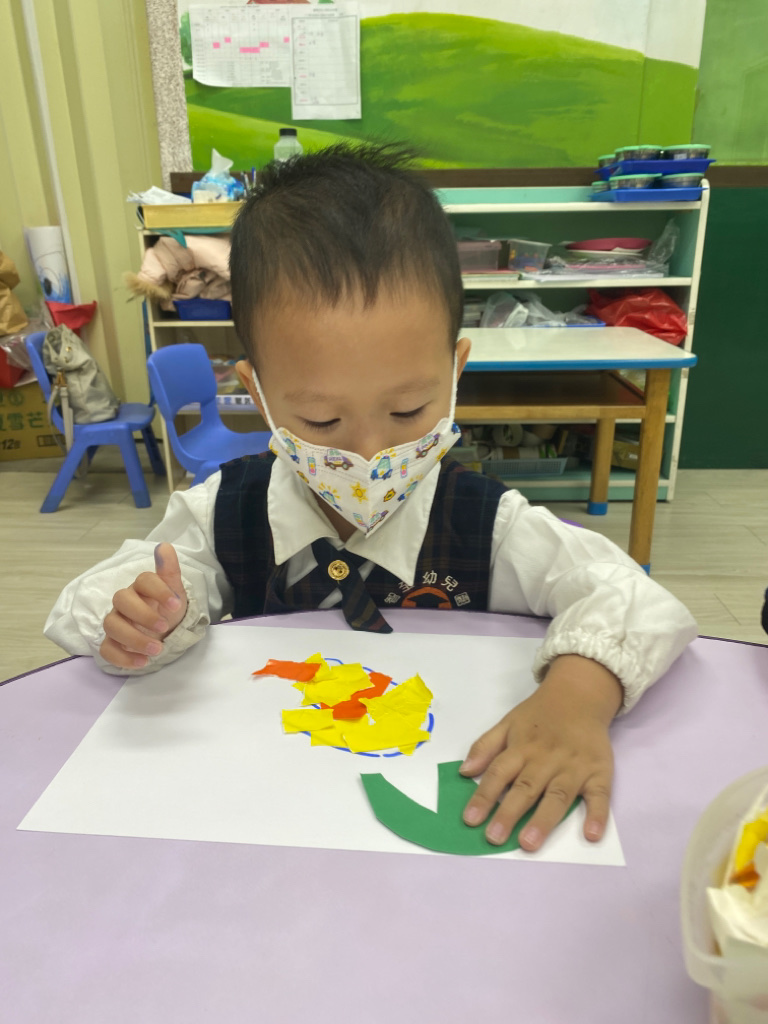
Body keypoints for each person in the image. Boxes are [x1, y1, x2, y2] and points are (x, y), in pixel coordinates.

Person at [46, 143, 697, 854]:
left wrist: (577, 699)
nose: (367, 453)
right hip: (274, 813)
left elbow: (633, 597)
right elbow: (101, 600)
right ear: (258, 394)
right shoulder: (225, 512)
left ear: (454, 372)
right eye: (322, 420)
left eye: (409, 410)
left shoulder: (486, 524)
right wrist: (138, 615)